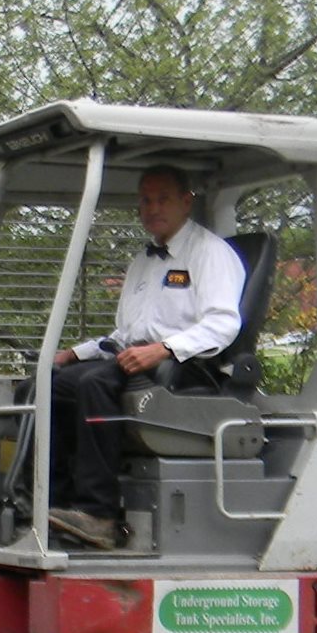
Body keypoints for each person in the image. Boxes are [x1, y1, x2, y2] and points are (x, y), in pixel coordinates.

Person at [45, 165, 245, 548]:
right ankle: (49, 501)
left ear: (187, 201)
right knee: (46, 386)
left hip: (189, 369)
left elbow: (222, 325)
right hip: (137, 360)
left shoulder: (209, 254)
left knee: (94, 384)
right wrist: (74, 353)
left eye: (163, 198)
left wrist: (165, 349)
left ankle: (99, 514)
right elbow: (126, 335)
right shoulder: (143, 261)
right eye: (146, 200)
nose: (152, 208)